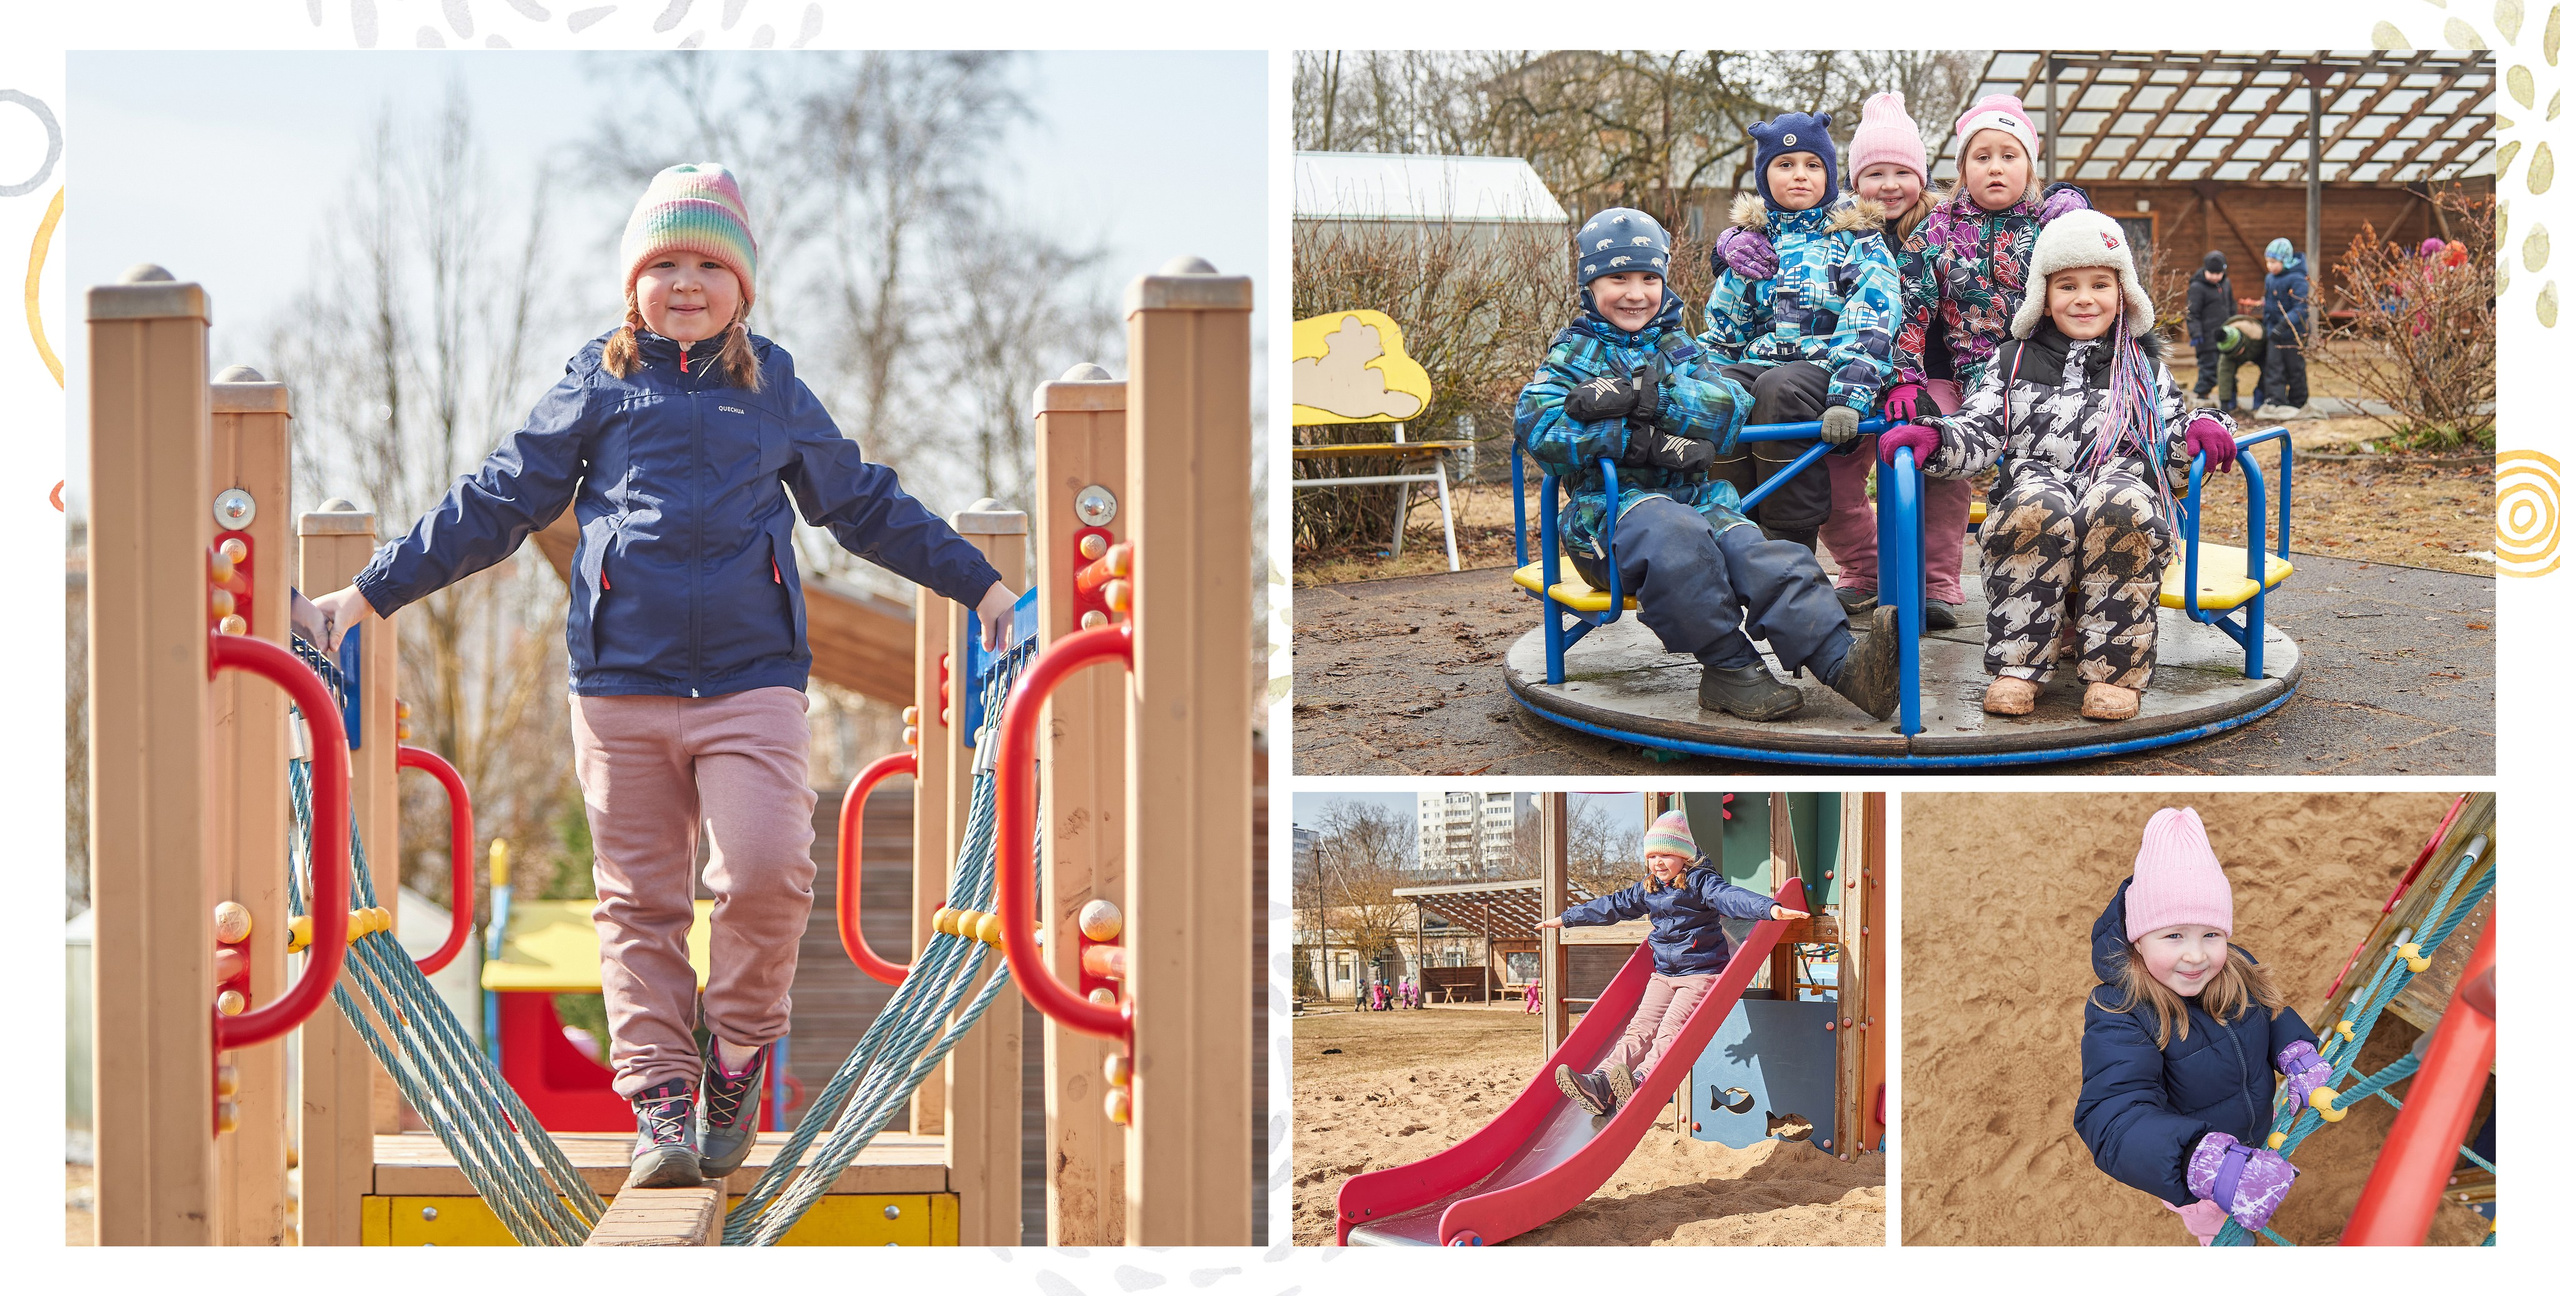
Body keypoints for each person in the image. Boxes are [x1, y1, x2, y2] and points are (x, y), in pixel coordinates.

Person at [309, 163, 1018, 1189]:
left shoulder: (768, 384)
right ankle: (662, 1105)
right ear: (632, 281)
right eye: (664, 263)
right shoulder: (597, 381)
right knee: (640, 901)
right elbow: (497, 501)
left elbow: (861, 503)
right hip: (621, 687)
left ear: (742, 285)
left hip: (753, 680)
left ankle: (732, 1056)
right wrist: (363, 597)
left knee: (769, 868)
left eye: (707, 263)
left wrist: (986, 591)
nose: (685, 282)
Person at [1515, 206, 1902, 722]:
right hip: (1609, 523)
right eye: (1617, 278)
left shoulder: (1676, 345)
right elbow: (1538, 427)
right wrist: (1636, 444)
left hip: (1699, 505)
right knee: (1675, 536)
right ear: (1590, 285)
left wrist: (1645, 400)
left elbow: (1727, 408)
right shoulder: (1573, 355)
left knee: (1762, 553)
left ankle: (1845, 664)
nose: (1636, 294)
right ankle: (1728, 667)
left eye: (1649, 278)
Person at [1876, 210, 2237, 723]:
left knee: (2122, 508)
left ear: (2124, 294)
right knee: (2033, 509)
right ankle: (2018, 668)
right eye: (2067, 285)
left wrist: (2203, 427)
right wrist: (1933, 437)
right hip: (2039, 480)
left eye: (2099, 284)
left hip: (2120, 480)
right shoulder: (2012, 362)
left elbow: (2169, 436)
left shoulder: (2142, 366)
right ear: (2043, 295)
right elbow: (1979, 428)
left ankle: (2114, 674)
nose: (2084, 298)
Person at [1884, 93, 2092, 629]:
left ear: (2030, 165)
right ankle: (1959, 588)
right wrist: (1906, 377)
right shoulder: (1937, 230)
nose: (1995, 167)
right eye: (1981, 157)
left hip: (2044, 373)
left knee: (2054, 473)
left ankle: (2074, 601)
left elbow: (2093, 290)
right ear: (1961, 169)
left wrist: (2076, 207)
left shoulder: (2049, 225)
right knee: (1950, 454)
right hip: (1970, 374)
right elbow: (1911, 307)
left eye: (2009, 155)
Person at [2074, 808, 2324, 1245]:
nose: (2196, 955)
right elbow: (2112, 1116)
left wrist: (2296, 1050)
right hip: (2194, 1167)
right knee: (2223, 1228)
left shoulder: (2234, 967)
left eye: (2211, 934)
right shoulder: (2121, 1011)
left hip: (2254, 1131)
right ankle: (2223, 1240)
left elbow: (2268, 1010)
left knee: (2252, 1180)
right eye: (2173, 936)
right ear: (2138, 939)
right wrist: (2202, 1160)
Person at [1696, 111, 1903, 554]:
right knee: (1722, 389)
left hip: (1826, 367)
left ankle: (1788, 539)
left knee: (1778, 388)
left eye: (1812, 165)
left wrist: (1850, 393)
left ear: (1829, 175)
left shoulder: (1854, 238)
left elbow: (1872, 315)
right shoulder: (1754, 245)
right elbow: (1724, 330)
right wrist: (1694, 380)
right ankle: (1731, 522)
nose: (1799, 176)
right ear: (1764, 175)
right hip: (1762, 361)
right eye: (1784, 165)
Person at [1538, 811, 1807, 1118]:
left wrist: (1769, 908)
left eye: (1666, 854)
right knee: (1637, 1030)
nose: (1658, 862)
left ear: (1683, 856)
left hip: (1700, 974)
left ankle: (1642, 1080)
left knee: (1669, 1031)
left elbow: (1730, 897)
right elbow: (1611, 905)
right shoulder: (1649, 888)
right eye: (1652, 856)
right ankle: (1601, 1084)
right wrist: (1566, 918)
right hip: (1664, 975)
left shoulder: (1700, 882)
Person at [2253, 237, 2312, 413]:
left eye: (2274, 262)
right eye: (2268, 262)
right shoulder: (2270, 278)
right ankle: (2275, 401)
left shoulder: (2298, 279)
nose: (2270, 266)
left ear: (2284, 260)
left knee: (2295, 369)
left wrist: (2284, 325)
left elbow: (2301, 308)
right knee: (2273, 368)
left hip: (2293, 334)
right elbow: (2269, 304)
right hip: (2274, 333)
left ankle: (2298, 401)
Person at [2184, 251, 2236, 400]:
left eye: (2218, 273)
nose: (2214, 276)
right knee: (2209, 369)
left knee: (2228, 368)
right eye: (2211, 273)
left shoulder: (2226, 283)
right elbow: (2192, 313)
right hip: (2206, 338)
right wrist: (2196, 333)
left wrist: (2234, 324)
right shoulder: (2197, 287)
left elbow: (2231, 305)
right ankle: (2201, 397)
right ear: (2205, 270)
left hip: (2225, 335)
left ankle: (2230, 400)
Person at [2212, 317, 2266, 415]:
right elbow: (2224, 375)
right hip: (2238, 352)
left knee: (2268, 372)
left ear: (2243, 342)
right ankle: (2231, 405)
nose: (2236, 355)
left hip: (2261, 352)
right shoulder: (2227, 349)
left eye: (2237, 352)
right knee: (2226, 374)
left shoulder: (2257, 335)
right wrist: (2224, 403)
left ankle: (2259, 403)